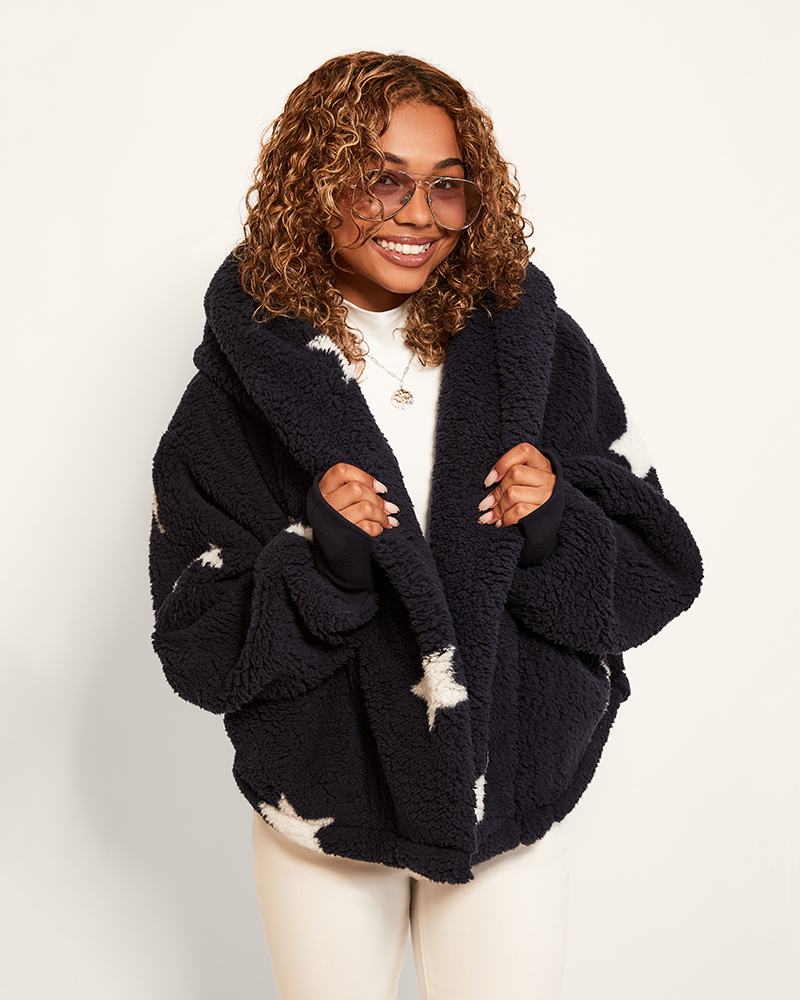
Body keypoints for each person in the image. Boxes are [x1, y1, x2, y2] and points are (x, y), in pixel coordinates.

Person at [149, 51, 702, 1000]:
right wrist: (324, 559)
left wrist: (555, 521)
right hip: (325, 806)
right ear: (314, 185)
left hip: (511, 790)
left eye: (448, 186)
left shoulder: (535, 346)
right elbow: (198, 642)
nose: (419, 214)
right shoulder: (238, 392)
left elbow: (659, 567)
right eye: (383, 181)